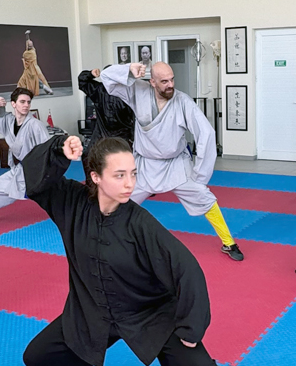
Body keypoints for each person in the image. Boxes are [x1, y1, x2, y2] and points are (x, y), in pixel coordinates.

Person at [18, 133, 257, 366]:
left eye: (133, 173)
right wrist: (58, 148)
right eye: (120, 175)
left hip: (148, 313)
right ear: (95, 176)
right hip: (91, 309)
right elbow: (35, 180)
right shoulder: (70, 203)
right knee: (38, 355)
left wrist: (192, 324)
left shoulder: (140, 223)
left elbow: (185, 267)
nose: (130, 183)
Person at [102, 62, 244, 261]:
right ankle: (106, 241)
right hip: (145, 164)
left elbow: (206, 133)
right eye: (164, 81)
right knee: (120, 201)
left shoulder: (182, 101)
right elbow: (106, 78)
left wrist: (200, 175)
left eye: (172, 79)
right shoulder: (137, 91)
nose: (170, 85)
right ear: (152, 82)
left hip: (176, 164)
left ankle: (229, 242)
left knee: (203, 196)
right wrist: (128, 70)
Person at [0, 88, 49, 226]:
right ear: (13, 104)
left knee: (51, 194)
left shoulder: (36, 125)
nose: (26, 105)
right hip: (18, 169)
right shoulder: (8, 120)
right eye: (22, 102)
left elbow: (46, 150)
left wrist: (43, 174)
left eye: (28, 102)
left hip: (34, 170)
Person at [77, 65, 135, 155]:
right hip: (104, 136)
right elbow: (82, 81)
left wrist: (90, 74)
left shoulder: (127, 92)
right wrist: (91, 74)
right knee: (92, 160)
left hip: (120, 138)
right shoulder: (99, 90)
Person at [17, 30, 54, 97]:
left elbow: (26, 58)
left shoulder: (31, 52)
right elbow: (27, 42)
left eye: (30, 45)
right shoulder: (32, 50)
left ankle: (49, 90)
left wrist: (23, 60)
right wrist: (27, 35)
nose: (29, 45)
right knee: (22, 81)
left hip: (32, 70)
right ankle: (18, 91)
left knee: (38, 81)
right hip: (30, 70)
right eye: (29, 44)